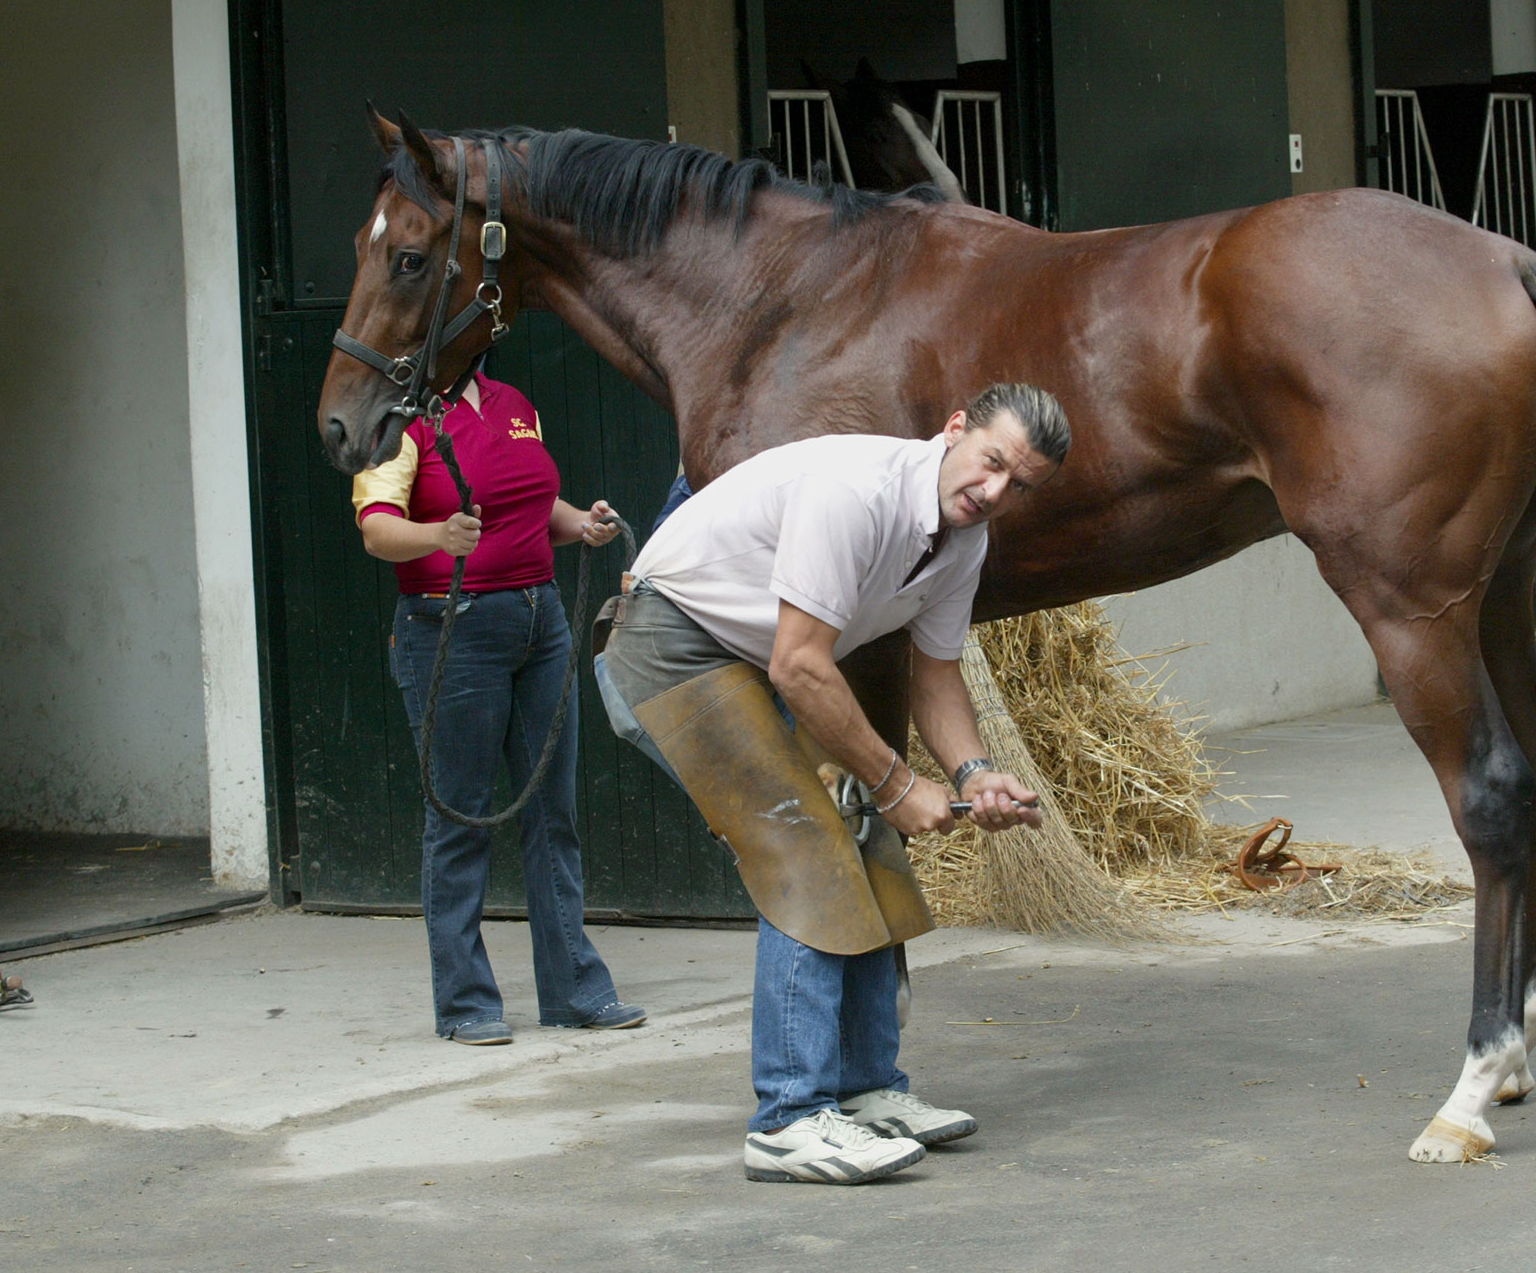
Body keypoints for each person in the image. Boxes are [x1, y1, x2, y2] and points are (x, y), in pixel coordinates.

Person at [596, 382, 1070, 1184]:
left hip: (746, 663)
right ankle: (788, 1119)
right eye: (991, 463)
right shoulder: (858, 491)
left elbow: (938, 676)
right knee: (806, 844)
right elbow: (800, 664)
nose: (994, 493)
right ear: (955, 428)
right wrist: (894, 780)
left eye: (1018, 486)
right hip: (667, 649)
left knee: (863, 831)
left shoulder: (963, 542)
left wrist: (974, 774)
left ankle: (864, 1090)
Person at [353, 370, 646, 1045]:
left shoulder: (516, 402)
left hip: (539, 617)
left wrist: (583, 525)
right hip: (449, 624)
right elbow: (377, 529)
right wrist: (437, 538)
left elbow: (534, 507)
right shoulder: (399, 420)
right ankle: (464, 1003)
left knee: (553, 810)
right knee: (459, 816)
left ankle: (574, 990)